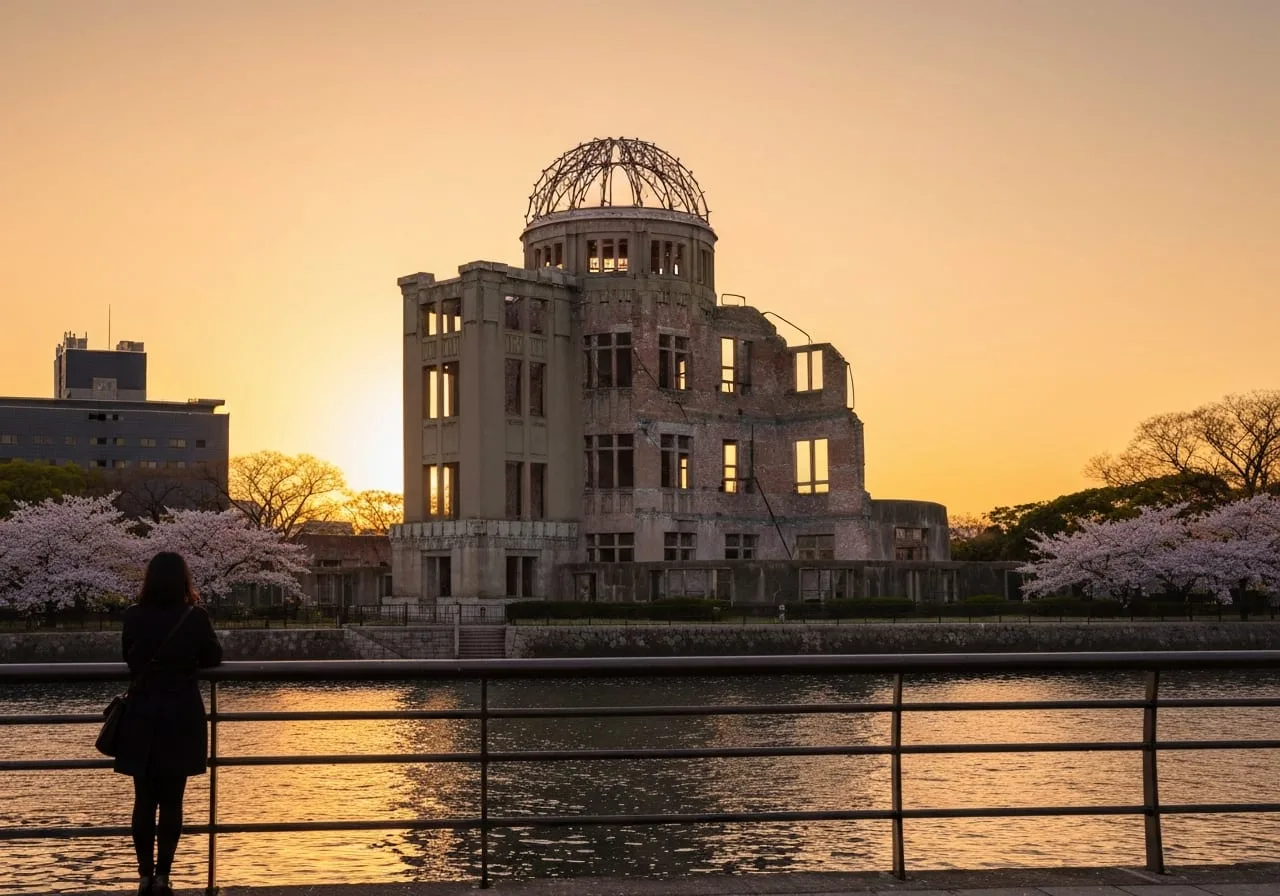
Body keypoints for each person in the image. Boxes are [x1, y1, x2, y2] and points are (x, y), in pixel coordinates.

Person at [114, 552, 223, 896]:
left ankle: (144, 876)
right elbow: (212, 656)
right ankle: (163, 876)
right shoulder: (194, 617)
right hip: (180, 715)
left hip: (142, 715)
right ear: (184, 581)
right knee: (173, 801)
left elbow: (129, 658)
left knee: (144, 799)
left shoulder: (134, 616)